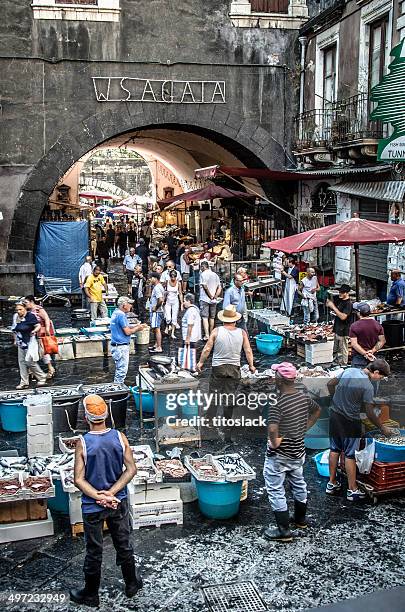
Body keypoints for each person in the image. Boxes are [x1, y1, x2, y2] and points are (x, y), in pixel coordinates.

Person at [70, 395, 142, 607]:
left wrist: (99, 496)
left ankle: (91, 594)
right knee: (123, 543)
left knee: (94, 550)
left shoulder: (82, 443)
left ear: (86, 417)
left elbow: (78, 479)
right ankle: (131, 584)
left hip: (93, 507)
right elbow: (131, 470)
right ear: (107, 414)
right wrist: (111, 493)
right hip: (117, 502)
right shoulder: (120, 438)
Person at [263, 362, 321, 542]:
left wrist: (274, 444)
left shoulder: (278, 403)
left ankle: (283, 531)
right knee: (298, 483)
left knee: (275, 489)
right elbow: (317, 411)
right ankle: (300, 519)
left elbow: (273, 430)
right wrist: (304, 428)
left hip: (280, 456)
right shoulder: (303, 398)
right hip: (298, 452)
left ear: (279, 380)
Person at [326, 360, 392, 501]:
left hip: (334, 415)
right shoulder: (368, 386)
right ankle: (352, 490)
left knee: (334, 449)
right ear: (375, 372)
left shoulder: (349, 370)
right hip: (350, 421)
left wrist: (335, 399)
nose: (379, 379)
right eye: (381, 377)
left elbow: (330, 384)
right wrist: (382, 427)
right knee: (350, 455)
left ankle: (331, 483)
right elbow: (369, 412)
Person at [196, 305, 256, 441]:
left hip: (218, 368)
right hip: (234, 369)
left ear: (223, 320)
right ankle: (227, 421)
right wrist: (251, 365)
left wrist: (200, 363)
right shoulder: (242, 333)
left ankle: (210, 421)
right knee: (229, 397)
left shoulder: (217, 331)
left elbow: (207, 349)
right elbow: (247, 350)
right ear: (235, 320)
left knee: (214, 395)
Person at [110, 297, 147, 383]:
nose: (131, 305)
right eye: (129, 304)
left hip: (116, 346)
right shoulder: (121, 315)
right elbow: (127, 332)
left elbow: (124, 327)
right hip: (121, 347)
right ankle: (118, 390)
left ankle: (117, 387)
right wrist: (138, 328)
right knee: (121, 371)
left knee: (119, 369)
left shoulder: (116, 312)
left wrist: (136, 325)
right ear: (124, 305)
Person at [11, 302, 47, 389]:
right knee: (22, 362)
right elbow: (14, 329)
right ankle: (24, 382)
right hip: (21, 341)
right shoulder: (16, 316)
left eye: (20, 309)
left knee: (30, 361)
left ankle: (42, 377)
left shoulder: (30, 316)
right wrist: (15, 339)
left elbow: (38, 325)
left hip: (30, 341)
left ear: (25, 308)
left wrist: (34, 331)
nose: (19, 311)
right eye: (17, 310)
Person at [24, 296, 56, 379]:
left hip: (40, 333)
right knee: (32, 352)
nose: (25, 304)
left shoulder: (38, 309)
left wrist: (48, 330)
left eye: (26, 302)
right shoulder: (27, 311)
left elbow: (46, 319)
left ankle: (50, 368)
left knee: (43, 351)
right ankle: (32, 371)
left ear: (31, 302)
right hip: (31, 334)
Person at [326, 285, 353, 365]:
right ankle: (335, 362)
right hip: (337, 328)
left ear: (347, 293)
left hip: (344, 330)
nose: (340, 294)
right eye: (339, 292)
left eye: (342, 292)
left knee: (343, 349)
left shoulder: (348, 304)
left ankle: (343, 364)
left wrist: (333, 307)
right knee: (335, 348)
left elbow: (343, 317)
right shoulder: (341, 301)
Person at [199, 260, 222, 340]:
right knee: (212, 317)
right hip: (214, 300)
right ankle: (211, 333)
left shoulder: (203, 274)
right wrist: (215, 296)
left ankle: (207, 335)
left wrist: (210, 296)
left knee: (205, 317)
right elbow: (219, 287)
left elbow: (205, 286)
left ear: (203, 267)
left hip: (205, 299)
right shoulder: (215, 275)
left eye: (201, 267)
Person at [164, 269, 183, 339]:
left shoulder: (178, 283)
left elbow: (180, 294)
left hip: (175, 301)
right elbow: (165, 291)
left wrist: (182, 303)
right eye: (171, 277)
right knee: (168, 317)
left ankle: (172, 333)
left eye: (174, 277)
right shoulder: (167, 282)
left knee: (174, 318)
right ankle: (167, 326)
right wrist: (163, 299)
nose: (173, 278)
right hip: (168, 301)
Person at [149, 272, 165, 353]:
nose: (150, 280)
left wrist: (156, 307)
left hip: (157, 311)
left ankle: (159, 347)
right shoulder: (159, 287)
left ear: (155, 278)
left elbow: (161, 299)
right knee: (155, 328)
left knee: (157, 328)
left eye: (151, 278)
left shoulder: (157, 288)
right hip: (158, 311)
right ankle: (156, 344)